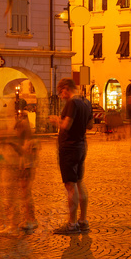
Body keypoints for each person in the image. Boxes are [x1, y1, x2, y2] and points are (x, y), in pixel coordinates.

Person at [48, 78, 93, 235]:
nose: (61, 96)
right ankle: (83, 221)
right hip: (81, 145)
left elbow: (66, 125)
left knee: (70, 185)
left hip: (69, 147)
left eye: (61, 92)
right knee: (79, 183)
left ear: (66, 88)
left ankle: (72, 224)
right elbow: (90, 125)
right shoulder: (86, 103)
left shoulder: (72, 103)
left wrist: (56, 120)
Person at [0, 112, 38, 235]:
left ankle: (30, 219)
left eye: (19, 128)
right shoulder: (23, 140)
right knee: (23, 195)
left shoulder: (31, 141)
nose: (17, 131)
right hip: (22, 169)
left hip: (26, 170)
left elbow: (28, 156)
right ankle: (27, 219)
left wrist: (26, 168)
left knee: (26, 195)